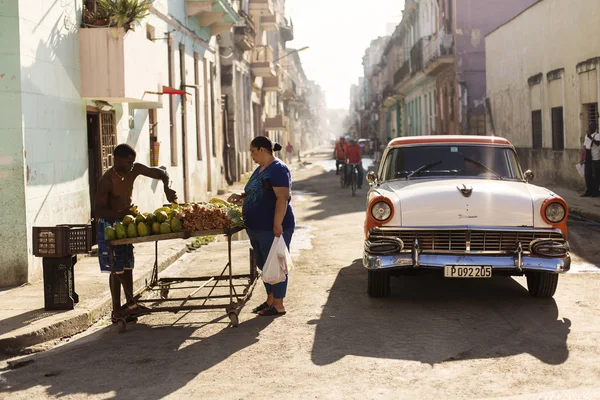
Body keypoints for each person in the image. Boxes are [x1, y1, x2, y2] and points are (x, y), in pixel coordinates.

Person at [95, 144, 178, 323]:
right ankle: (116, 310)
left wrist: (166, 187)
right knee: (115, 269)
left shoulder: (135, 170)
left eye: (133, 162)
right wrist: (120, 214)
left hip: (126, 223)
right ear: (117, 160)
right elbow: (99, 210)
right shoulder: (107, 181)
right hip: (110, 225)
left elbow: (162, 172)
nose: (131, 166)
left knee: (127, 265)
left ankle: (131, 305)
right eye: (128, 162)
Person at [228, 136, 295, 317]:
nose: (250, 155)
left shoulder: (279, 169)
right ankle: (270, 300)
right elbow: (256, 190)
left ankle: (279, 305)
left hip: (272, 227)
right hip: (257, 227)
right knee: (264, 264)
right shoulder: (260, 169)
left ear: (262, 150)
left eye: (252, 151)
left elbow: (282, 198)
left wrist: (277, 224)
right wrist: (241, 196)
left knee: (276, 264)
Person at [582, 121, 600, 197]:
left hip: (596, 158)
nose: (589, 128)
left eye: (591, 127)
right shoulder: (587, 135)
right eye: (589, 126)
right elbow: (585, 147)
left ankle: (595, 191)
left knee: (596, 176)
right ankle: (589, 190)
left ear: (595, 128)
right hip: (588, 157)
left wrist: (591, 138)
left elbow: (598, 143)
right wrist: (582, 157)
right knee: (587, 175)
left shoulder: (597, 135)